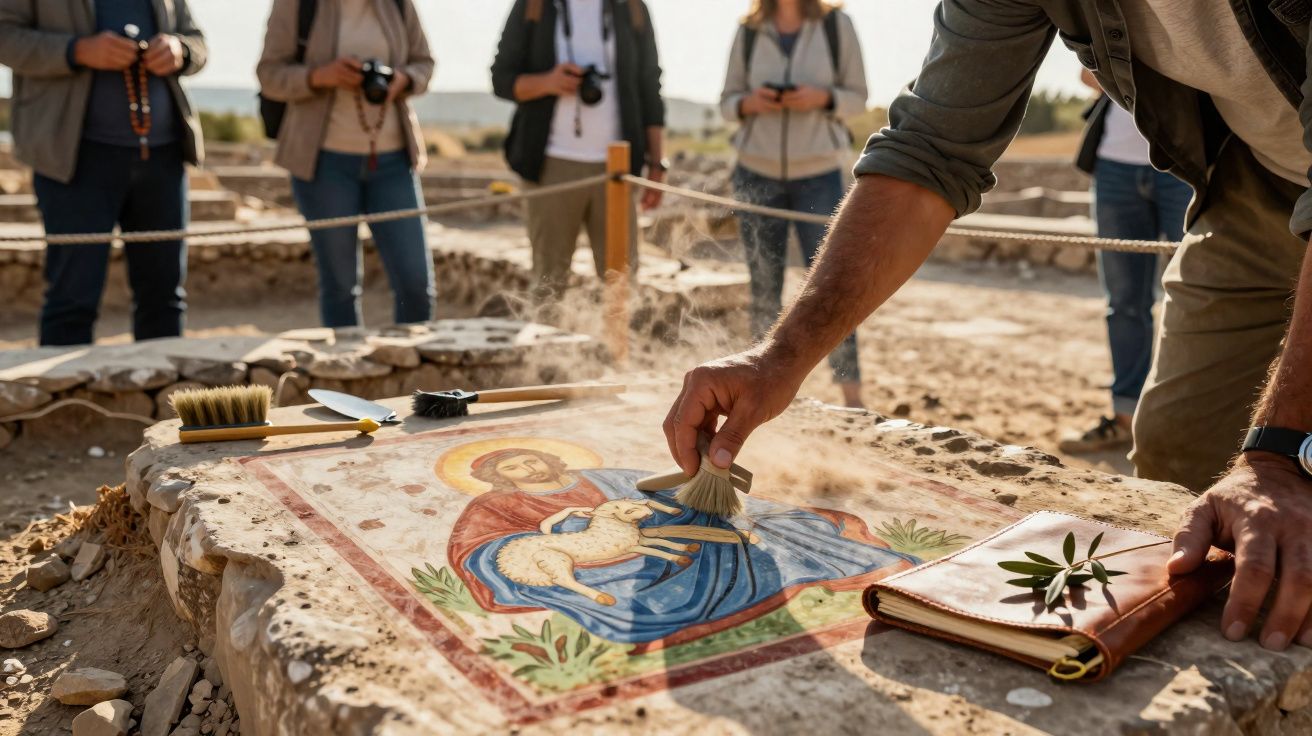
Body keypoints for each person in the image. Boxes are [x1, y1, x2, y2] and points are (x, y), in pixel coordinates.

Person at [665, 1, 1312, 654]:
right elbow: (930, 150)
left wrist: (1283, 451)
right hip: (1252, 187)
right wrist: (779, 359)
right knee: (1180, 452)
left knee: (1284, 477)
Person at [446, 447, 916, 644]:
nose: (527, 470)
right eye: (514, 470)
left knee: (775, 521)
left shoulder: (605, 477)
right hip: (603, 559)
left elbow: (661, 492)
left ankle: (854, 563)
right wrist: (565, 530)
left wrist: (701, 480)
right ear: (496, 480)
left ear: (547, 456)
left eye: (529, 460)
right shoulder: (493, 507)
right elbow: (480, 550)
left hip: (652, 534)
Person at [0, 0, 207, 346]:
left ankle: (163, 399)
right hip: (73, 159)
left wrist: (180, 51)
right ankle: (65, 400)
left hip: (164, 157)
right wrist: (76, 51)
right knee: (72, 300)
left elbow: (196, 41)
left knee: (165, 299)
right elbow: (5, 36)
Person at [720, 0, 869, 408]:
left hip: (819, 173)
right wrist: (750, 103)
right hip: (754, 173)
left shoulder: (838, 26)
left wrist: (822, 98)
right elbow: (726, 103)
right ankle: (756, 389)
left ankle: (852, 398)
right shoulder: (748, 30)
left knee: (833, 287)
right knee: (763, 288)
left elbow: (858, 98)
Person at [257, 0, 436, 328]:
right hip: (323, 163)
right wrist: (320, 76)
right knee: (339, 286)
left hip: (395, 162)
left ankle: (415, 373)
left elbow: (424, 63)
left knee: (415, 285)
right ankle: (342, 376)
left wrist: (402, 80)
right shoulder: (296, 5)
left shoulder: (398, 3)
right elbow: (269, 74)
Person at [490, 0, 666, 300]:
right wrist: (548, 82)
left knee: (623, 290)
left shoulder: (632, 7)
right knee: (548, 286)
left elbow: (650, 87)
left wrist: (657, 163)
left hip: (618, 167)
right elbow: (501, 79)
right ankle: (545, 347)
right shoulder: (534, 5)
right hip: (549, 165)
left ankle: (617, 349)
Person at [1059, 70, 1192, 453]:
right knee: (1124, 302)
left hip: (1183, 160)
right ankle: (1124, 419)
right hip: (1113, 167)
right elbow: (1087, 73)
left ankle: (1190, 422)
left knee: (1199, 295)